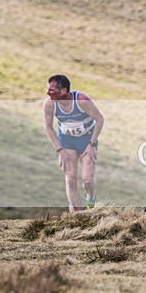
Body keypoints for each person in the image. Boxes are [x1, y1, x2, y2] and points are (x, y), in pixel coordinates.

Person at [42, 75, 105, 212]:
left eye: (51, 90)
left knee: (87, 179)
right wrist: (60, 150)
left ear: (63, 91)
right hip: (67, 141)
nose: (47, 93)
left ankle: (90, 198)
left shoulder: (81, 100)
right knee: (70, 179)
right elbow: (48, 126)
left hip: (86, 140)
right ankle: (77, 214)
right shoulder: (49, 104)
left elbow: (100, 119)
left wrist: (91, 145)